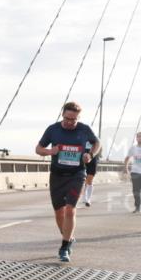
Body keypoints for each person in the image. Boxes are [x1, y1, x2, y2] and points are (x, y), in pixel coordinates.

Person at [35, 102, 100, 262]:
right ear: (62, 115)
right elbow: (38, 148)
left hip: (77, 174)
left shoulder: (84, 129)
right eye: (67, 118)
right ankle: (68, 237)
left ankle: (64, 247)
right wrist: (51, 151)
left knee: (70, 209)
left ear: (78, 117)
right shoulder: (53, 129)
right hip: (57, 175)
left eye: (73, 119)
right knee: (59, 213)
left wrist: (90, 155)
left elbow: (97, 143)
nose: (69, 122)